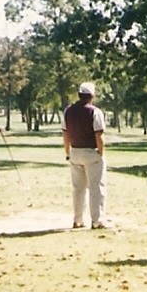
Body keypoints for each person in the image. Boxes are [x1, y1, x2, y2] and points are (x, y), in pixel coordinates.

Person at [61, 82, 108, 230]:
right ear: (92, 96)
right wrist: (100, 153)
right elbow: (99, 135)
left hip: (75, 151)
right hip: (91, 152)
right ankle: (97, 220)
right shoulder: (95, 112)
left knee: (78, 188)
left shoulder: (68, 111)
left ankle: (78, 219)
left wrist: (68, 152)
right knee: (96, 187)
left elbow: (65, 134)